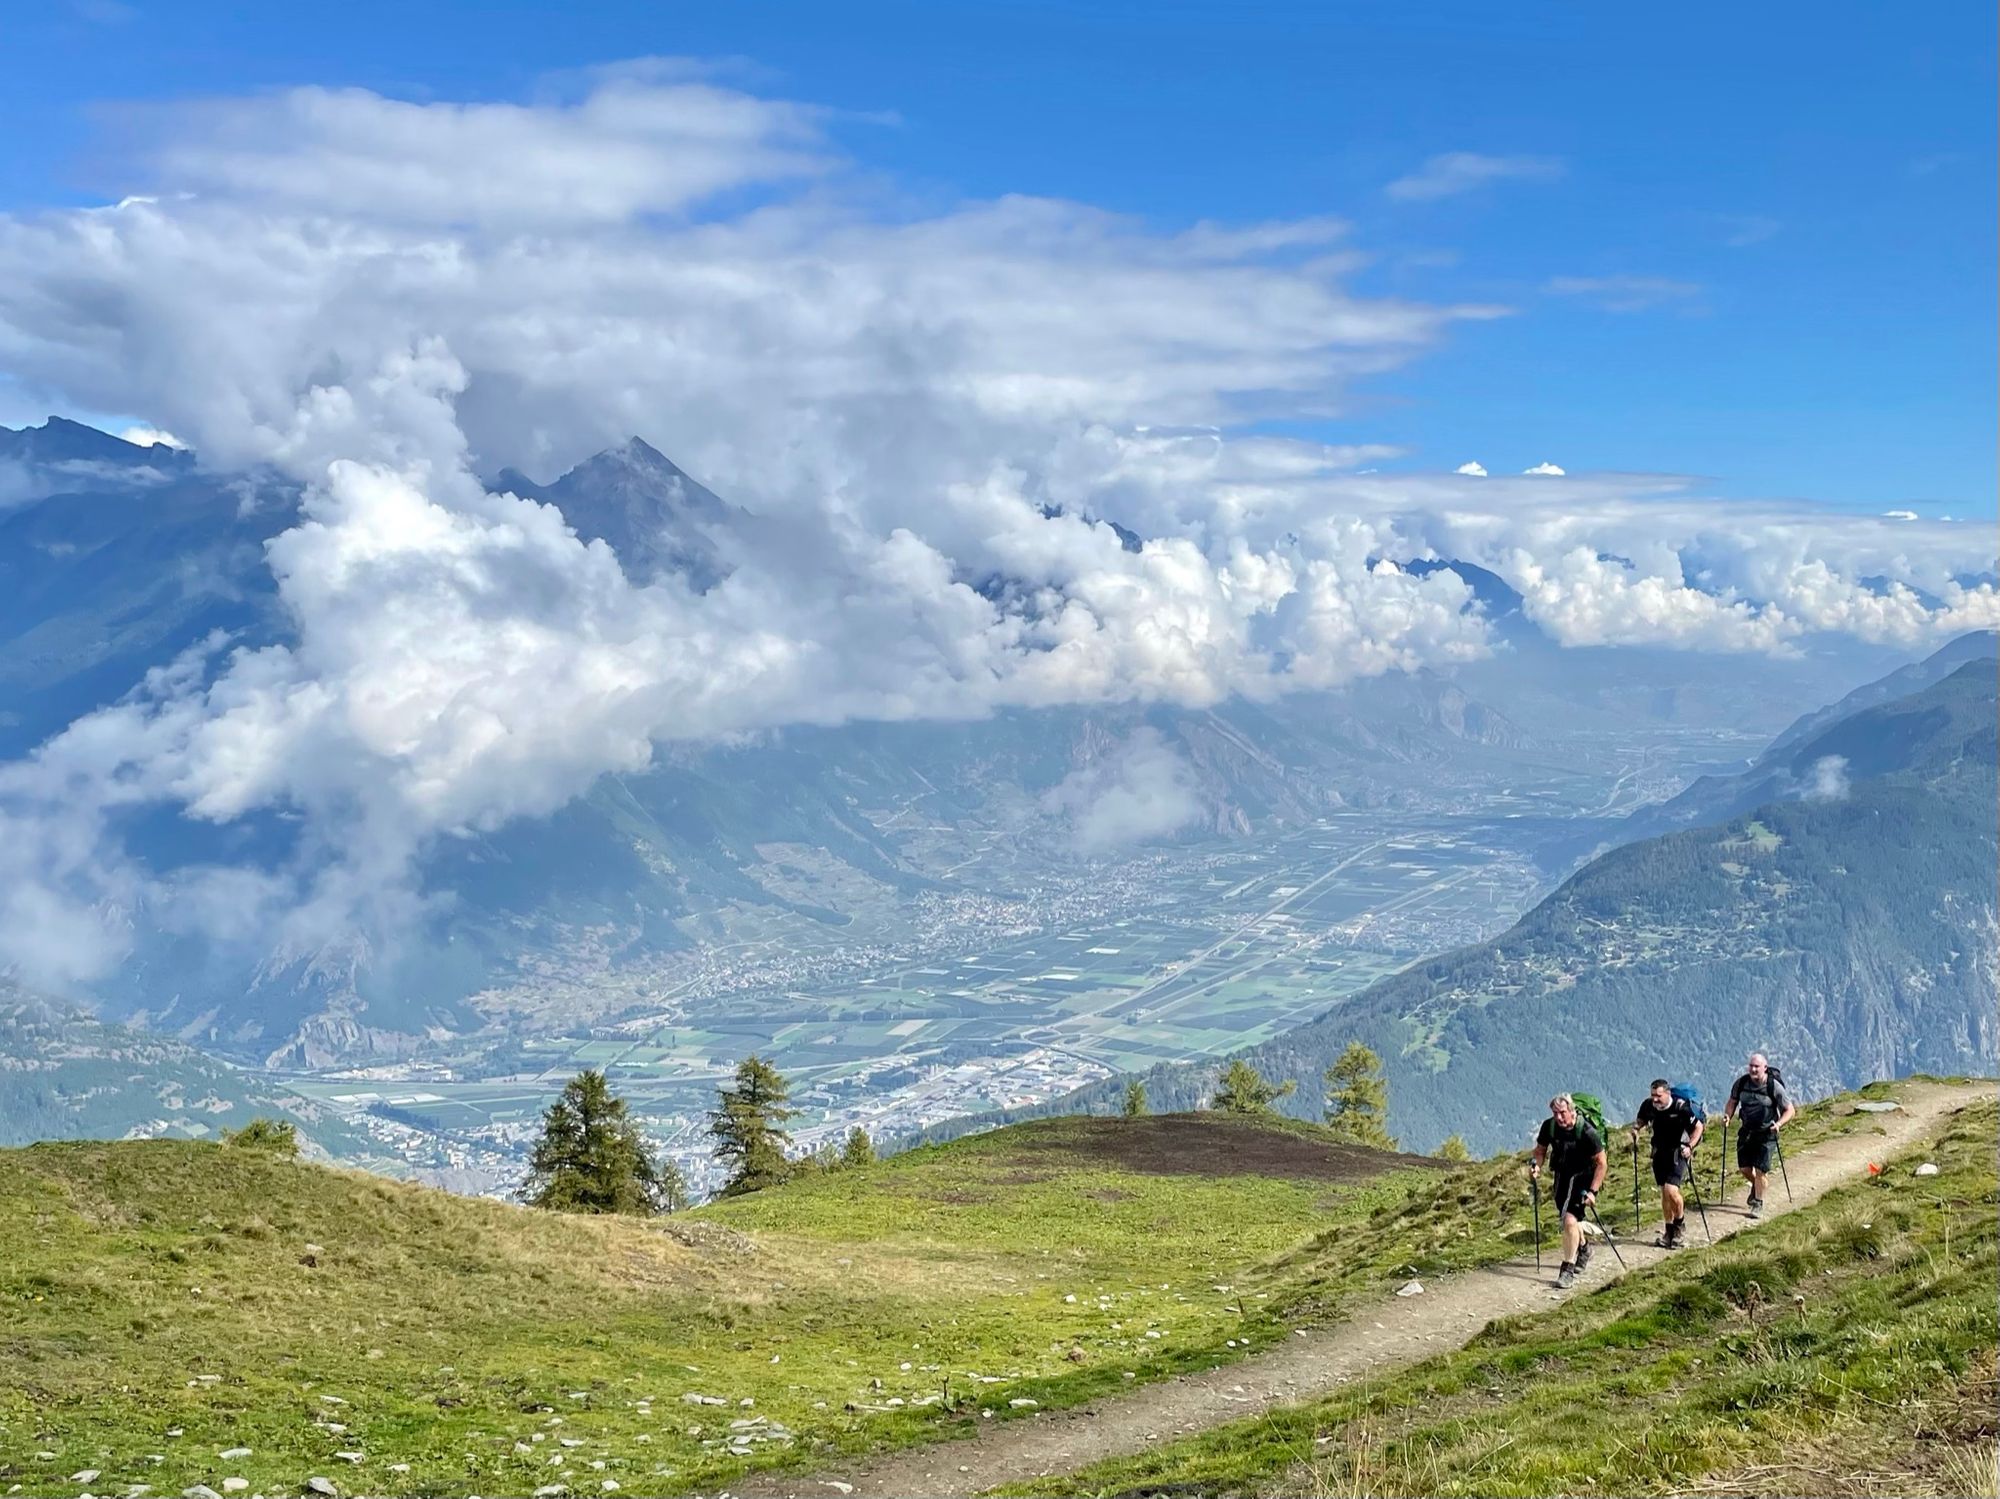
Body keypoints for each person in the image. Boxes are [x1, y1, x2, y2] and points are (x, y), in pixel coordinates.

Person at [1531, 1093, 1607, 1289]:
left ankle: (1567, 1270)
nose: (1558, 1117)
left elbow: (1601, 1163)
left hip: (1583, 1178)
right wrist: (1536, 1166)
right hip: (1562, 1177)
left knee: (1569, 1220)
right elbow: (1540, 1150)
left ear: (1571, 1111)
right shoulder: (1550, 1127)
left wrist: (1593, 1192)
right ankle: (1584, 1249)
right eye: (1555, 1113)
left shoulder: (1587, 1132)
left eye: (1562, 1112)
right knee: (1570, 1222)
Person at [1630, 1079, 1702, 1248]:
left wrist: (1690, 1146)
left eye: (1659, 1096)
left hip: (1678, 1152)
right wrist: (1636, 1129)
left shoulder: (1680, 1107)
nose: (1655, 1099)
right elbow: (1641, 1119)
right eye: (1653, 1095)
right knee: (1664, 1193)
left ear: (1668, 1093)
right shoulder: (1648, 1105)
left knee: (1671, 1190)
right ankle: (1668, 1231)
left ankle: (1679, 1225)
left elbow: (1698, 1127)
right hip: (1659, 1152)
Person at [1723, 1053, 1795, 1216]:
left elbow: (1790, 1110)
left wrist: (1779, 1124)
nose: (1753, 1069)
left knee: (1761, 1170)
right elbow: (1732, 1101)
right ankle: (1757, 1187)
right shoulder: (1741, 1083)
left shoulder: (1773, 1086)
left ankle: (1758, 1203)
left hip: (1767, 1133)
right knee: (1744, 1169)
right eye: (1751, 1066)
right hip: (1747, 1131)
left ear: (1765, 1068)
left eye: (1757, 1066)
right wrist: (1728, 1115)